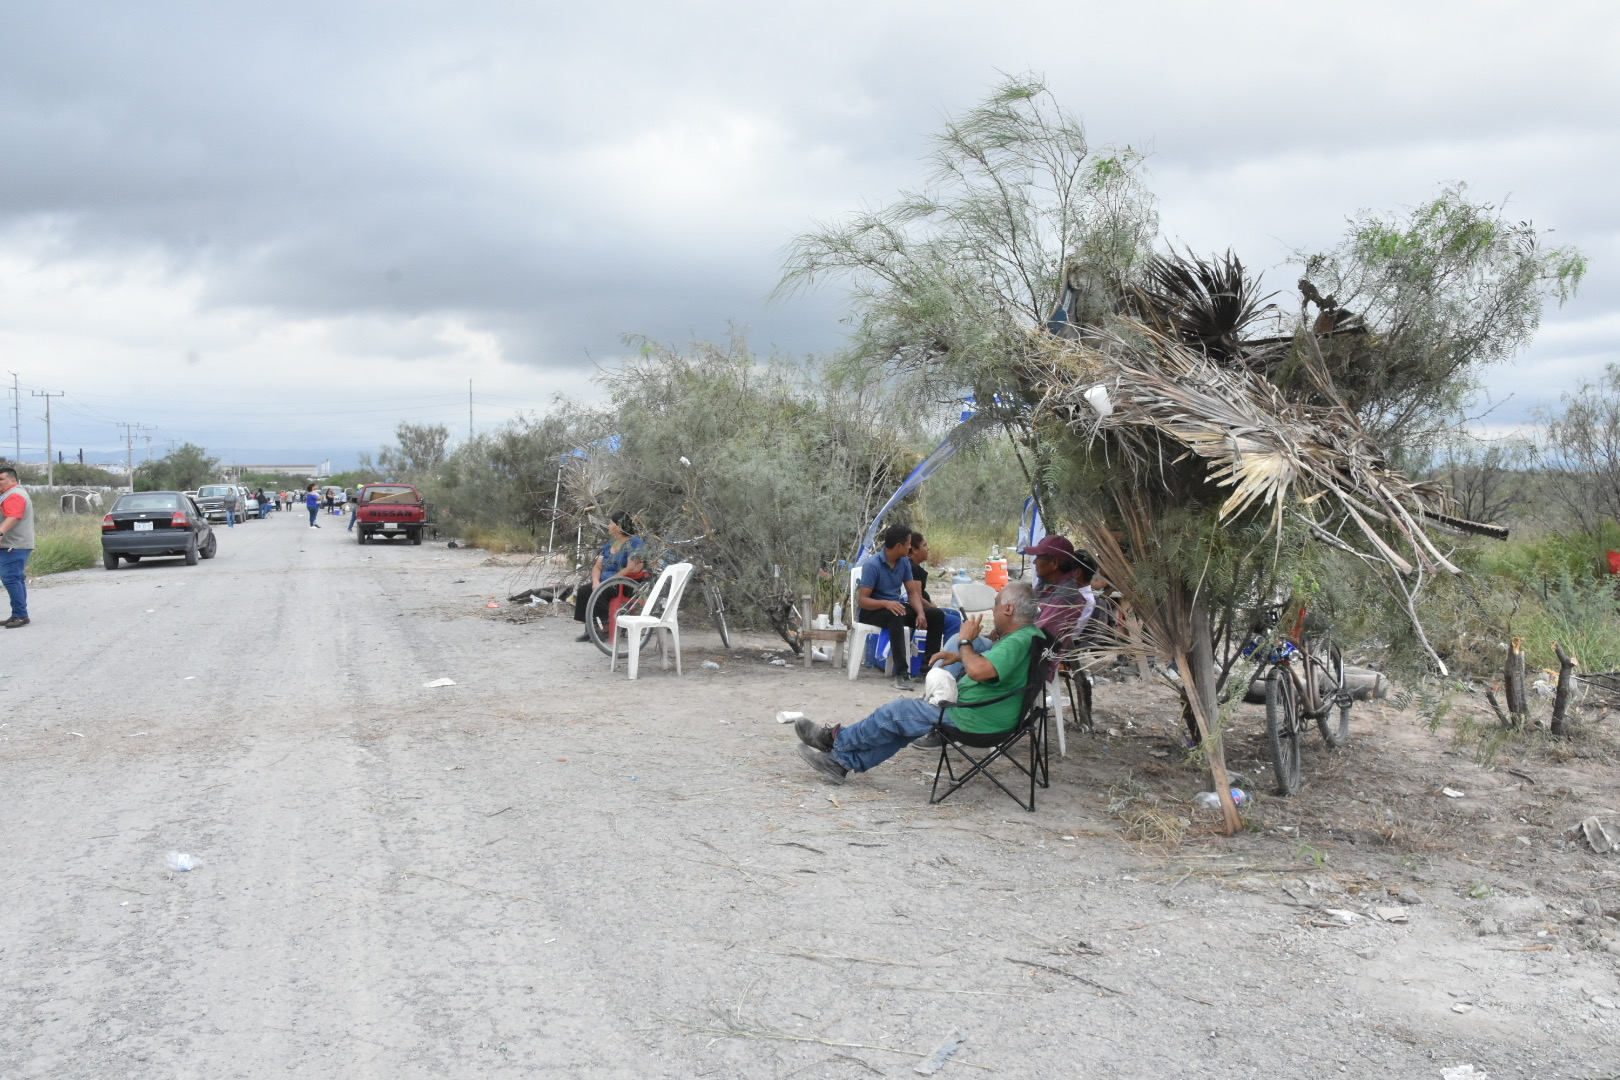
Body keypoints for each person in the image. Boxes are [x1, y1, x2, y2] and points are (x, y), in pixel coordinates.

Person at [792, 582, 1042, 782]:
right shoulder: (1030, 636)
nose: (993, 610)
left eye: (996, 605)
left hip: (973, 718)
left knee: (896, 713)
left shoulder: (1017, 640)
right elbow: (995, 667)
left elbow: (978, 671)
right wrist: (959, 655)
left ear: (1008, 609)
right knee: (903, 727)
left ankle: (834, 740)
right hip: (984, 715)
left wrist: (965, 641)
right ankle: (840, 763)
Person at [856, 524, 928, 690]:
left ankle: (926, 670)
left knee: (935, 615)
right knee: (896, 615)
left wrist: (921, 612)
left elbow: (912, 593)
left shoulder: (904, 563)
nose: (910, 547)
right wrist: (886, 603)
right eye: (909, 544)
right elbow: (863, 601)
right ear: (899, 546)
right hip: (872, 611)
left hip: (894, 607)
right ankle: (902, 673)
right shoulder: (872, 565)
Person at [572, 512, 646, 642]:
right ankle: (591, 628)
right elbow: (598, 566)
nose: (608, 526)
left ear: (619, 526)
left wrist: (612, 580)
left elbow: (632, 567)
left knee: (601, 592)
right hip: (606, 581)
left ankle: (605, 628)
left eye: (611, 523)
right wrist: (596, 581)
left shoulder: (635, 542)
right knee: (584, 590)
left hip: (626, 582)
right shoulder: (612, 543)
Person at [1018, 534, 1096, 644]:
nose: (1034, 562)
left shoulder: (1065, 596)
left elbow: (1036, 636)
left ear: (1054, 563)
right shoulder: (1048, 584)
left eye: (1038, 557)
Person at [906, 531, 948, 671]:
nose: (928, 548)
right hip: (915, 608)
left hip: (919, 607)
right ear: (914, 549)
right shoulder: (913, 569)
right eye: (924, 545)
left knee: (949, 615)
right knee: (952, 621)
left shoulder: (912, 567)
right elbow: (916, 596)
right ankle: (942, 664)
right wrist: (933, 608)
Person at [0, 467, 34, 628]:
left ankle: (20, 615)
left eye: (1, 479)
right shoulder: (9, 494)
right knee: (16, 579)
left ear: (13, 480)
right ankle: (18, 614)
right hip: (14, 544)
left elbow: (13, 517)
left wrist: (0, 533)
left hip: (14, 545)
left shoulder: (15, 495)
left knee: (11, 578)